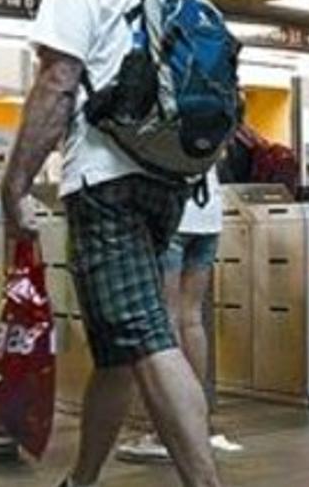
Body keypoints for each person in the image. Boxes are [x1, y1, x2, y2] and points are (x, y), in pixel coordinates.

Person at [0, 0, 221, 487]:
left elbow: (57, 82)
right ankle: (82, 479)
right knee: (119, 344)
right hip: (169, 176)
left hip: (106, 179)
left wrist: (14, 183)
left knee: (146, 335)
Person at [117, 167, 243, 461]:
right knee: (191, 317)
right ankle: (198, 421)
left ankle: (168, 431)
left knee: (167, 317)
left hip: (169, 215)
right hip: (208, 212)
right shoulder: (211, 120)